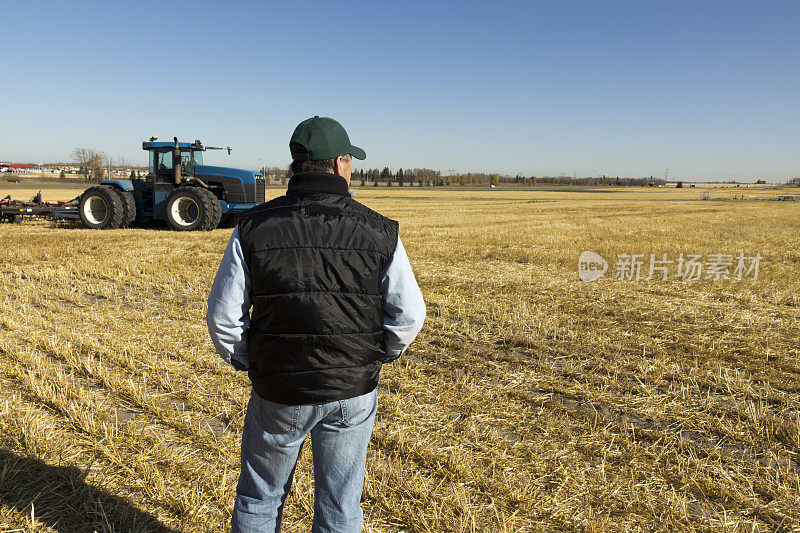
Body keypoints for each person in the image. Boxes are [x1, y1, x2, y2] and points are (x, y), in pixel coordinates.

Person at [206, 116, 426, 532]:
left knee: (259, 497)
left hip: (278, 389)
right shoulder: (379, 231)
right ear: (341, 164)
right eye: (350, 162)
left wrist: (250, 361)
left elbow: (223, 318)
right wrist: (377, 355)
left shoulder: (252, 227)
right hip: (351, 390)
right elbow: (410, 314)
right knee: (340, 506)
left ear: (297, 166)